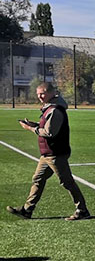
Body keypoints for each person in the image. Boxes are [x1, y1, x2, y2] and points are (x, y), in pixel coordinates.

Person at [8, 82, 90, 221]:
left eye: (43, 93)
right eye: (38, 93)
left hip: (55, 154)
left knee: (67, 182)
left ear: (52, 93)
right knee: (38, 179)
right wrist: (35, 124)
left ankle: (82, 210)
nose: (40, 96)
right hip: (48, 154)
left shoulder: (55, 110)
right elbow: (47, 127)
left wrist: (30, 129)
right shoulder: (49, 108)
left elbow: (49, 132)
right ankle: (27, 210)